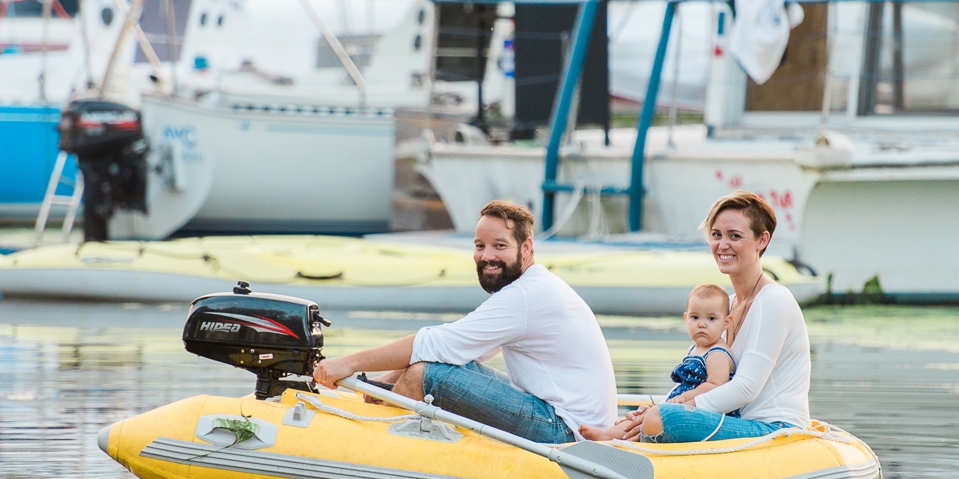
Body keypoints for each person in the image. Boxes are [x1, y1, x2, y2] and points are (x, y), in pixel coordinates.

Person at [308, 199, 615, 443]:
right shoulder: (532, 288)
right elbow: (463, 351)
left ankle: (367, 444)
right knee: (428, 366)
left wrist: (347, 363)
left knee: (426, 375)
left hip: (565, 429)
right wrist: (386, 382)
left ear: (526, 248)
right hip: (560, 414)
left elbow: (436, 344)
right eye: (480, 245)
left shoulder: (525, 296)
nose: (486, 256)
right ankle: (383, 413)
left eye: (499, 245)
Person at [590, 191, 810, 444]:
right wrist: (665, 404)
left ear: (762, 240)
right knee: (658, 415)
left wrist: (671, 411)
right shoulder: (726, 305)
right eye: (716, 235)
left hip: (773, 426)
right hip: (736, 420)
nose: (722, 245)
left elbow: (746, 387)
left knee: (663, 419)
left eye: (735, 236)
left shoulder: (773, 300)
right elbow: (701, 382)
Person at [666, 283, 735, 401]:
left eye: (711, 318)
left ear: (726, 322)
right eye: (695, 317)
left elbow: (716, 386)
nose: (701, 324)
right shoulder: (691, 350)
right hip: (683, 404)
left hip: (706, 412)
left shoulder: (717, 354)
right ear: (686, 318)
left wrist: (684, 397)